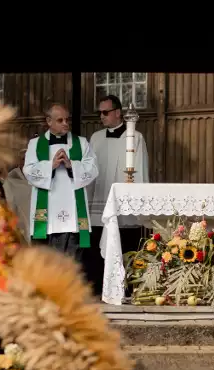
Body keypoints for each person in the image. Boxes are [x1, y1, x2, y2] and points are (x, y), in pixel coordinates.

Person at [86, 94, 149, 296]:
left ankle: (128, 289)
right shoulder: (95, 138)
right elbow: (89, 172)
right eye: (99, 113)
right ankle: (99, 288)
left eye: (105, 112)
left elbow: (141, 169)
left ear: (118, 112)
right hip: (99, 205)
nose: (101, 116)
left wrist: (139, 202)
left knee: (127, 247)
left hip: (126, 209)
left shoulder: (135, 137)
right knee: (98, 251)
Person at [22, 103, 99, 261]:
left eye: (67, 119)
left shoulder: (82, 143)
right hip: (47, 218)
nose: (65, 123)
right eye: (60, 120)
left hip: (74, 219)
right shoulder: (35, 144)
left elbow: (93, 169)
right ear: (49, 121)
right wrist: (51, 165)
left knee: (73, 266)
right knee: (47, 266)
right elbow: (28, 171)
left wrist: (72, 166)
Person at [3, 147, 32, 244]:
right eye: (24, 159)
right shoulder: (11, 180)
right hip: (21, 225)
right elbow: (9, 205)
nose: (27, 161)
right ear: (19, 161)